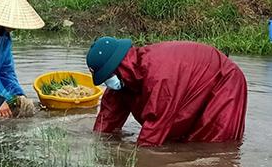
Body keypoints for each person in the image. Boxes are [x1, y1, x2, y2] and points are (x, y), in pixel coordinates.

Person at [85, 37, 247, 147]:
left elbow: (154, 130)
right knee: (179, 143)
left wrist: (139, 162)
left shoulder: (158, 76)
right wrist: (96, 146)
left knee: (210, 148)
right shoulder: (124, 78)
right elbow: (107, 118)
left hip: (224, 80)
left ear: (119, 66)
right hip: (191, 79)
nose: (109, 83)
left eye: (108, 77)